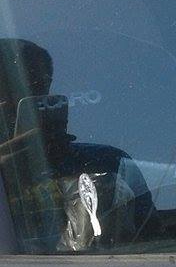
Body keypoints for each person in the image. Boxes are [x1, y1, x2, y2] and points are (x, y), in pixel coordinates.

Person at [0, 37, 157, 252]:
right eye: (6, 91)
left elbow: (156, 247)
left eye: (36, 87)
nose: (12, 102)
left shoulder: (111, 166)